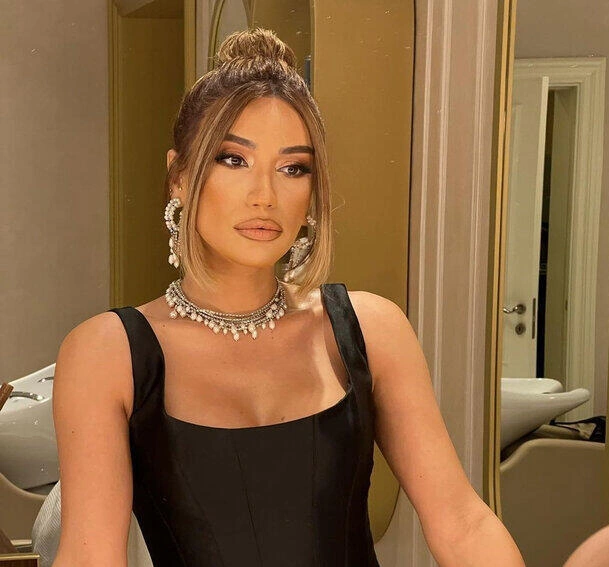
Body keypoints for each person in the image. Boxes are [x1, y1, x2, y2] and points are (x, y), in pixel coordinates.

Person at [47, 27, 524, 567]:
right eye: (233, 160)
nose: (265, 196)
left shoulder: (370, 330)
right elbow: (89, 557)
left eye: (293, 168)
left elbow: (463, 525)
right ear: (179, 176)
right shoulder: (106, 355)